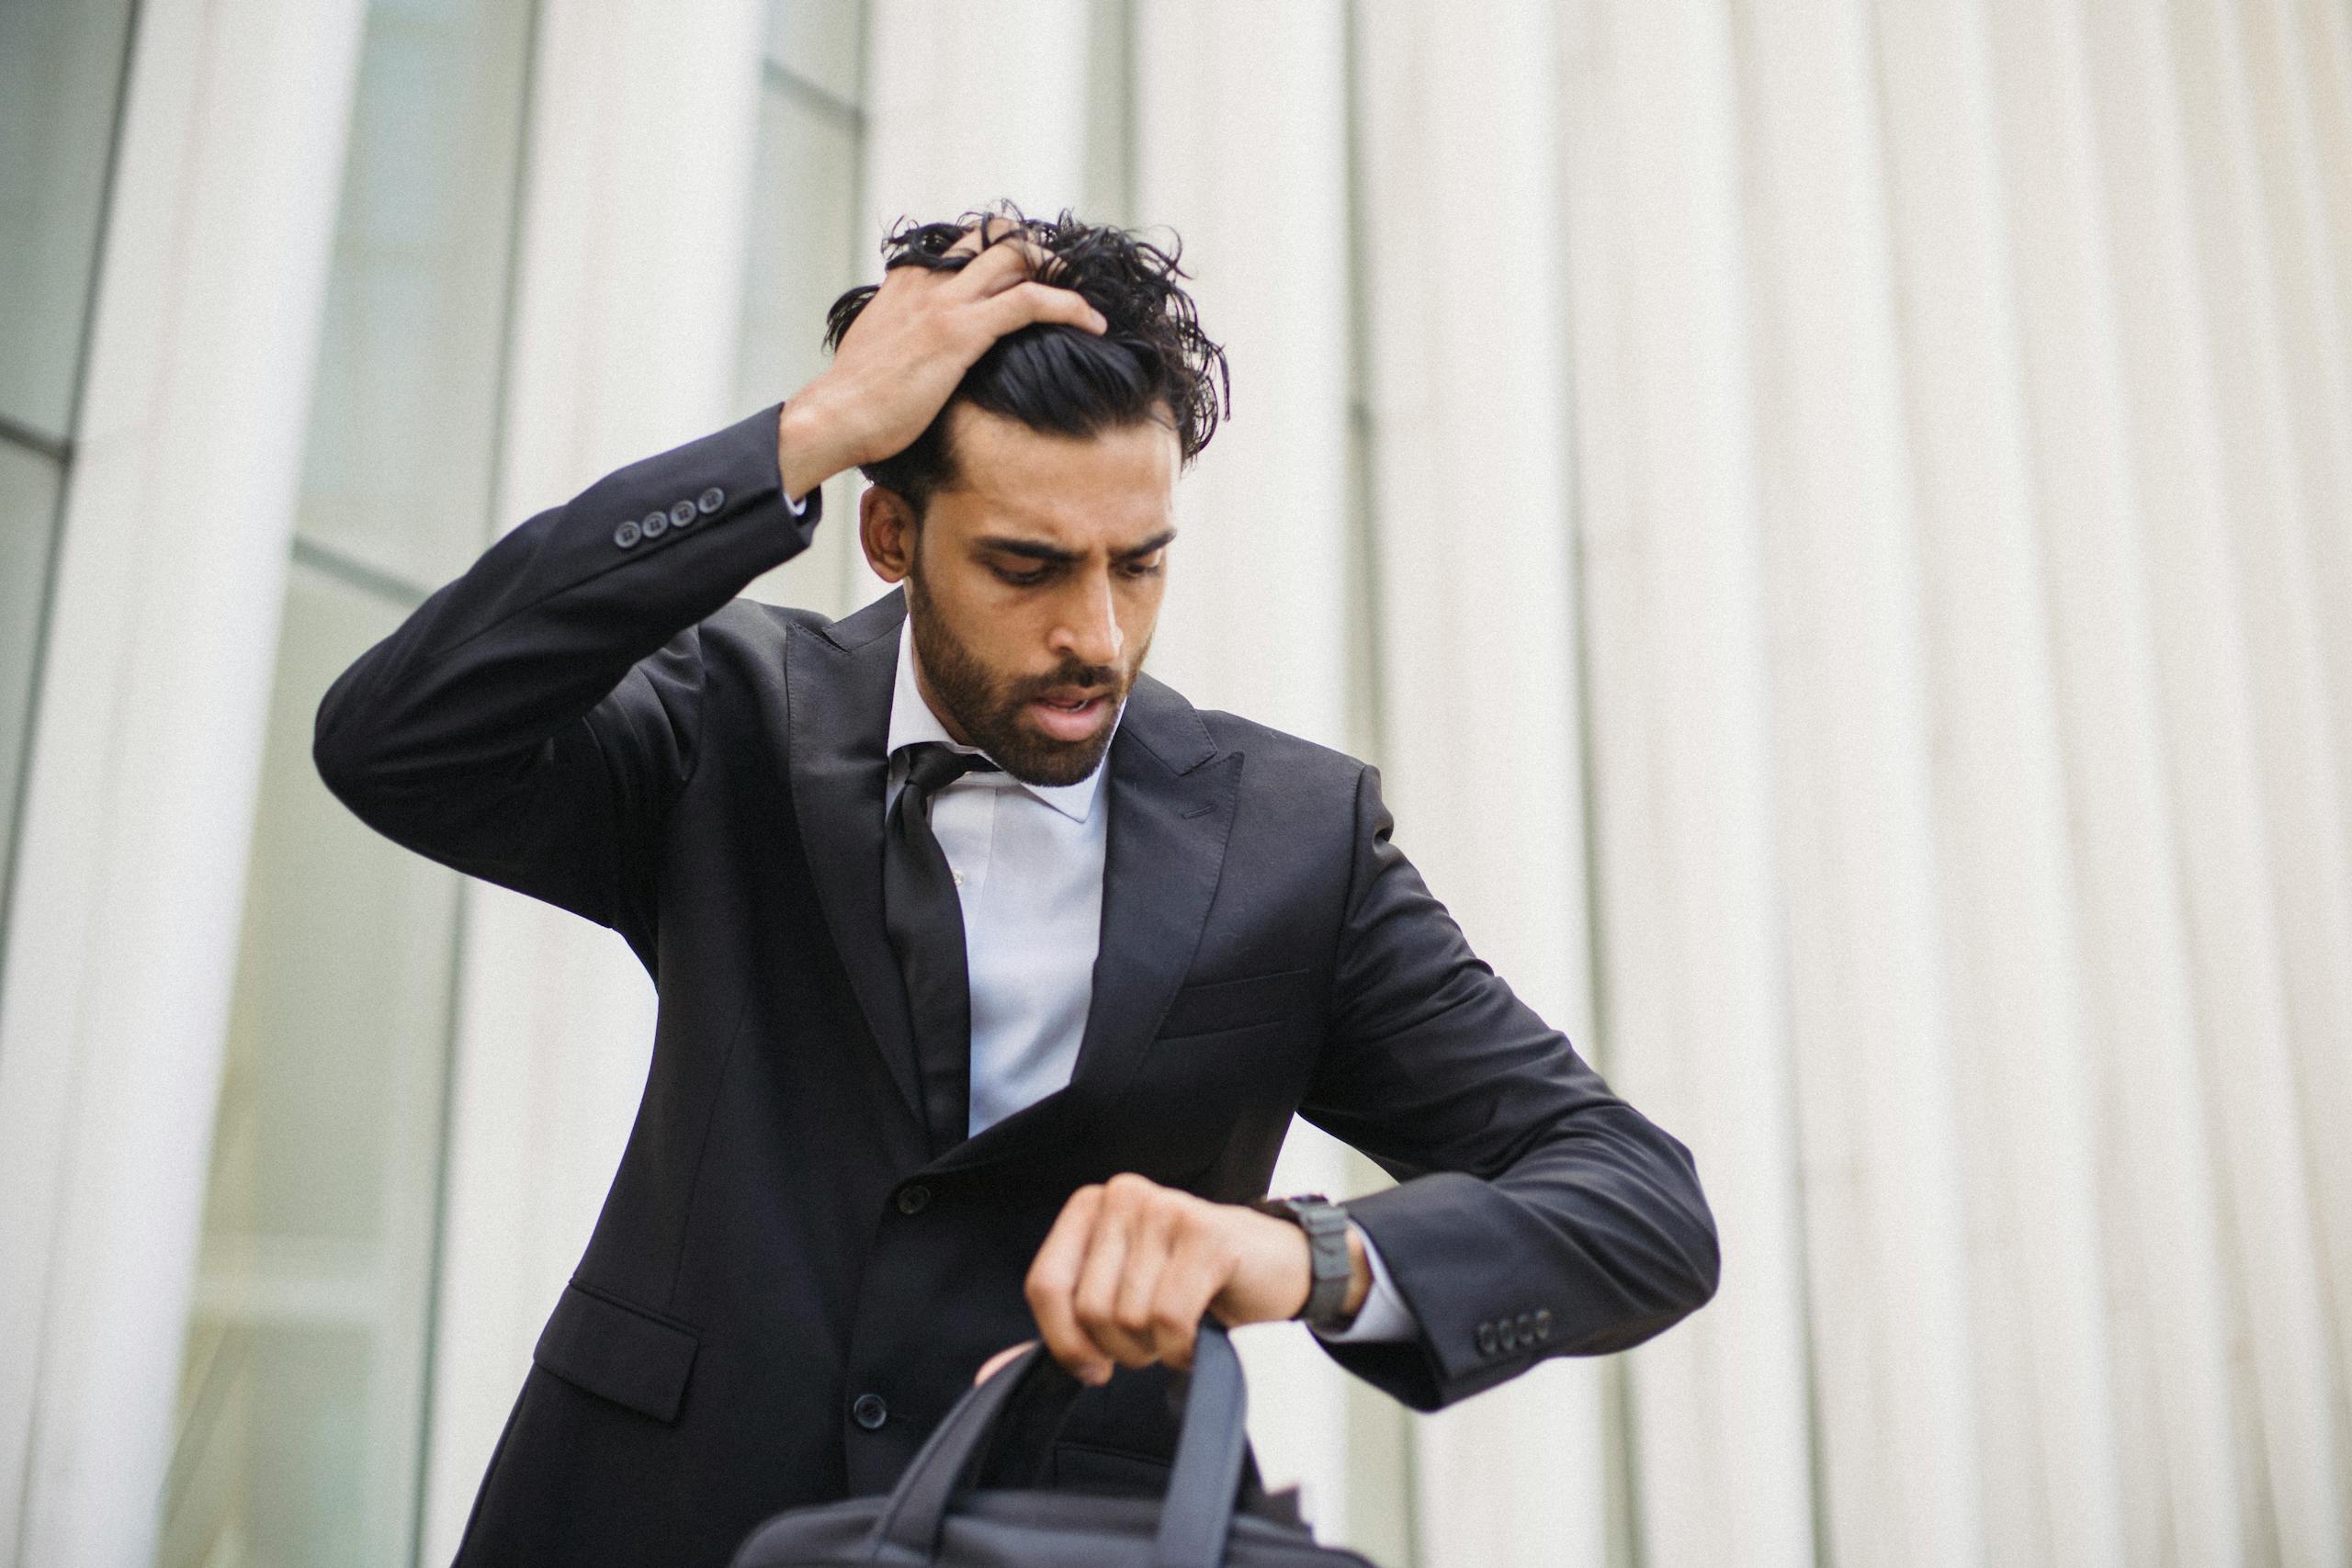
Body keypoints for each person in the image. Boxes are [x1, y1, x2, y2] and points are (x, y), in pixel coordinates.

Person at [312, 208, 1718, 1566]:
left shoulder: (1296, 840)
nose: (1096, 635)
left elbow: (1639, 1205)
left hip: (1073, 1539)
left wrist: (1297, 1255)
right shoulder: (723, 722)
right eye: (1027, 567)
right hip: (660, 1519)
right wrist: (805, 433)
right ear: (890, 537)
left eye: (1139, 564)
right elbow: (398, 737)